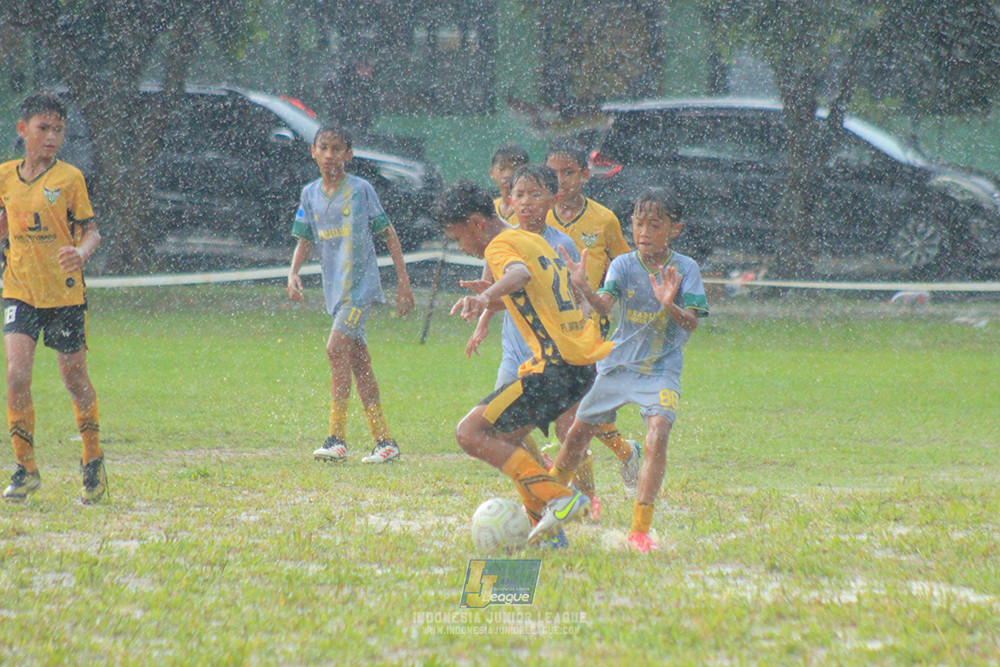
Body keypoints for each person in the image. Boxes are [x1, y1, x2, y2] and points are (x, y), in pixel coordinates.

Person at [532, 187, 709, 553]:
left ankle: (640, 530)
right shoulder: (624, 265)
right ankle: (540, 506)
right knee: (578, 434)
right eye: (638, 223)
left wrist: (669, 304)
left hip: (660, 370)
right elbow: (603, 306)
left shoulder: (686, 269)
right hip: (616, 366)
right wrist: (583, 285)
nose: (643, 232)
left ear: (674, 230)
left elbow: (690, 323)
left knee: (658, 433)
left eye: (654, 225)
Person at [437, 180, 611, 545]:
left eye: (458, 239)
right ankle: (548, 535)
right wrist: (493, 300)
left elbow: (519, 276)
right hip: (579, 369)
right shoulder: (532, 239)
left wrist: (485, 296)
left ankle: (562, 498)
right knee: (508, 442)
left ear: (476, 223)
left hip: (553, 368)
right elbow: (534, 292)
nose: (462, 247)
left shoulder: (500, 246)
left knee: (469, 433)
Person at [1, 92, 106, 503]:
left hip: (63, 294)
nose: (51, 137)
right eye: (43, 129)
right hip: (19, 290)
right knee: (15, 375)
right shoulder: (6, 177)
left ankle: (92, 459)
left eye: (58, 130)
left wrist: (79, 252)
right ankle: (25, 468)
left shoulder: (69, 179)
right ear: (22, 129)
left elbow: (92, 231)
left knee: (74, 379)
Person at [288, 125, 414, 464]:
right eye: (324, 148)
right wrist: (294, 271)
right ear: (313, 152)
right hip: (336, 294)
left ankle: (336, 437)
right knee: (360, 363)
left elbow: (389, 233)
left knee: (334, 349)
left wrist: (403, 283)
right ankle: (385, 441)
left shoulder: (361, 191)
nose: (331, 155)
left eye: (338, 149)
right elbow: (305, 238)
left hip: (360, 291)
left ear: (349, 154)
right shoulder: (310, 194)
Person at [545, 139, 642, 507]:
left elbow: (626, 268)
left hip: (588, 330)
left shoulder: (603, 219)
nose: (561, 180)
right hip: (544, 328)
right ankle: (624, 450)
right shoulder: (538, 219)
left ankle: (587, 497)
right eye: (553, 173)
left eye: (568, 172)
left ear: (585, 175)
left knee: (570, 419)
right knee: (574, 415)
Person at [489, 144, 529, 225]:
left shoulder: (530, 207)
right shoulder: (489, 209)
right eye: (502, 169)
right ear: (492, 173)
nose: (507, 174)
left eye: (514, 169)